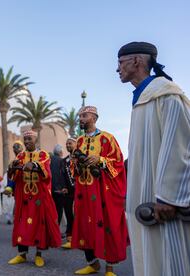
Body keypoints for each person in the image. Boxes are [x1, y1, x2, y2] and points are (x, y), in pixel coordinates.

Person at [117, 41, 190, 276]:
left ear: (137, 61)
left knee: (171, 260)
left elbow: (178, 145)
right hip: (146, 201)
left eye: (120, 63)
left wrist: (168, 197)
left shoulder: (166, 95)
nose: (117, 69)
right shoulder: (142, 98)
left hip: (164, 206)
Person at [71, 106, 128, 276]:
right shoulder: (79, 141)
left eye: (84, 115)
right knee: (84, 224)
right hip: (84, 191)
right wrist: (77, 162)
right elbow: (74, 166)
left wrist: (100, 160)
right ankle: (92, 264)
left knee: (108, 224)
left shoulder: (107, 138)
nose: (81, 119)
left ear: (94, 118)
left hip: (103, 192)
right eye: (80, 116)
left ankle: (109, 269)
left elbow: (118, 163)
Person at [5, 130, 61, 267]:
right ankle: (21, 254)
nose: (27, 141)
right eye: (25, 139)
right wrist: (11, 169)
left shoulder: (43, 154)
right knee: (21, 223)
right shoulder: (21, 155)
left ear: (35, 140)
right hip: (24, 196)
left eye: (29, 139)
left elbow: (47, 174)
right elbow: (14, 176)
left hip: (39, 197)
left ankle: (38, 255)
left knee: (39, 224)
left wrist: (35, 165)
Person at [60, 137, 76, 249]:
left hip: (81, 191)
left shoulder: (81, 158)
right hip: (68, 192)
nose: (68, 145)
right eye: (66, 144)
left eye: (70, 143)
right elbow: (62, 176)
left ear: (76, 144)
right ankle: (70, 238)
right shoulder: (64, 161)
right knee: (69, 215)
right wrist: (64, 187)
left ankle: (82, 238)